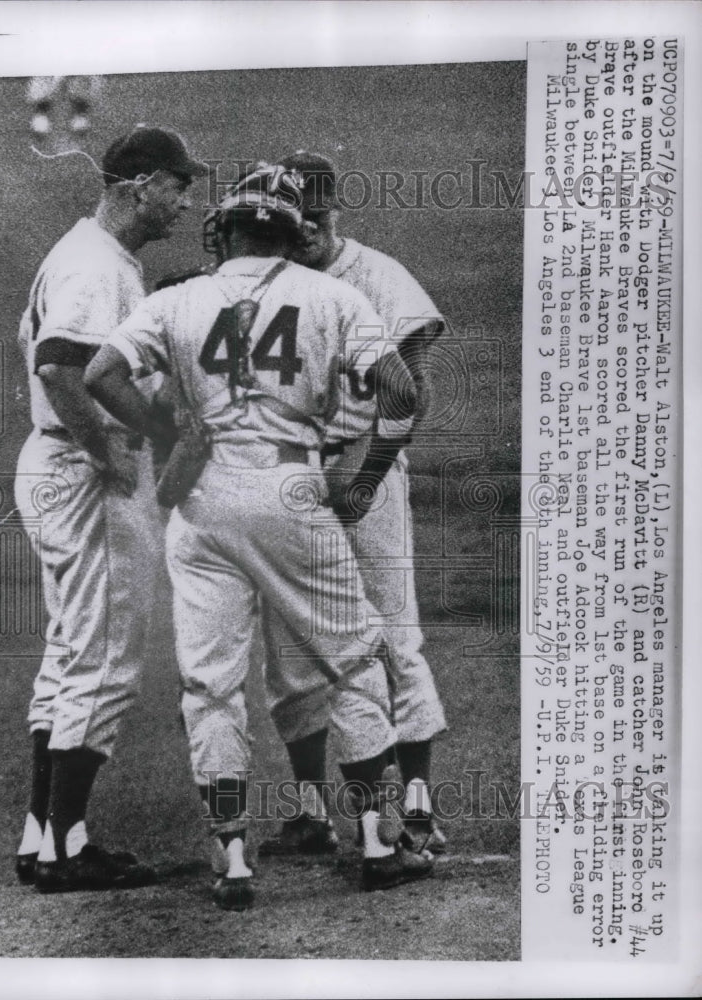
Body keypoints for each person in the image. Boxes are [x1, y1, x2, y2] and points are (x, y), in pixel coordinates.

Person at [84, 163, 432, 910]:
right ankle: (377, 840)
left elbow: (102, 372)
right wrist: (367, 475)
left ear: (227, 230)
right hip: (294, 490)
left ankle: (232, 858)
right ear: (285, 229)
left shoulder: (178, 299)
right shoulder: (332, 294)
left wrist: (169, 428)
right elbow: (405, 389)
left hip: (203, 504)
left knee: (210, 685)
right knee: (351, 662)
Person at [14, 125, 207, 893]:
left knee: (70, 654)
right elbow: (62, 365)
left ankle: (43, 838)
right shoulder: (94, 262)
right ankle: (69, 850)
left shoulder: (90, 254)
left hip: (52, 459)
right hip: (80, 464)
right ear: (136, 184)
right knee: (105, 658)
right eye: (176, 185)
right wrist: (104, 452)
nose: (185, 202)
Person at [260, 151, 448, 858]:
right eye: (294, 215)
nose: (307, 228)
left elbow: (411, 392)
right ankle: (309, 811)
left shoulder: (379, 276)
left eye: (318, 213)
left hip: (367, 466)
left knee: (393, 633)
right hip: (294, 478)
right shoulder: (271, 284)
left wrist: (365, 474)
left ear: (336, 209)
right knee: (291, 648)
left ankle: (420, 804)